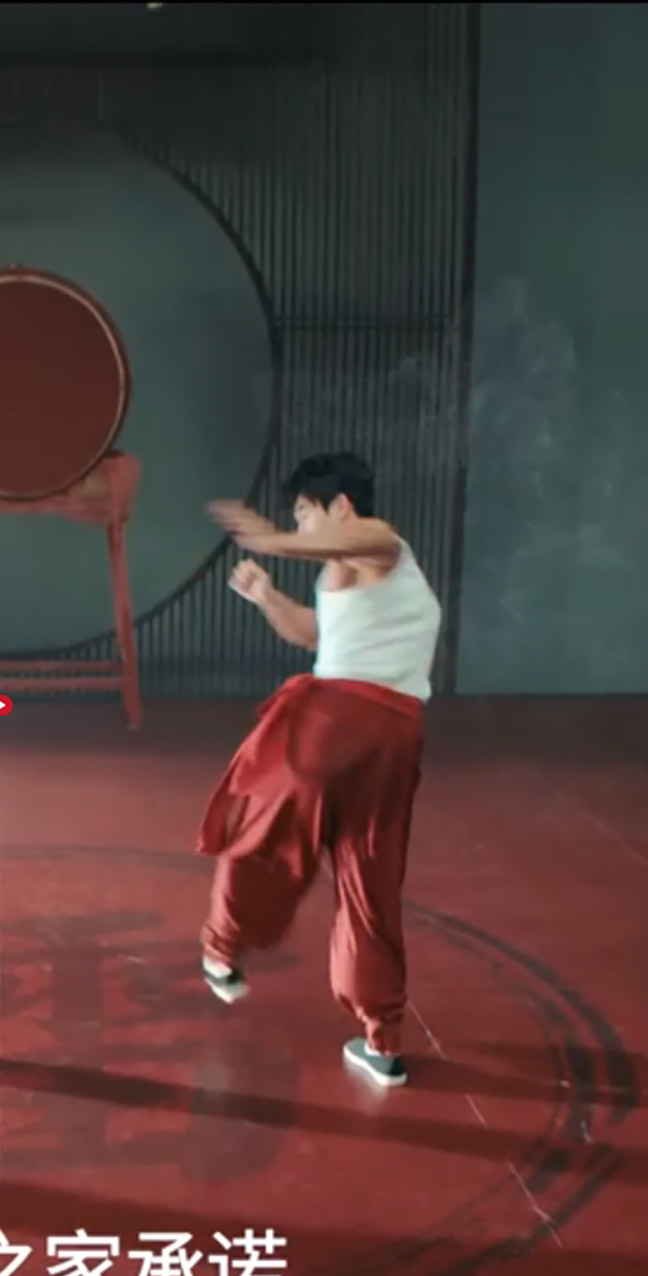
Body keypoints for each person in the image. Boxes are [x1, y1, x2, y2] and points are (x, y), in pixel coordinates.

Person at [199, 451, 442, 1089]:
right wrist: (265, 596)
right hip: (393, 737)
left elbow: (341, 542)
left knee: (262, 828)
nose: (301, 526)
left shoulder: (380, 541)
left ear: (340, 506)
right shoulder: (348, 573)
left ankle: (222, 947)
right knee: (369, 878)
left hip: (341, 720)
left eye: (306, 512)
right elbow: (316, 635)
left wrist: (267, 538)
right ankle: (382, 1040)